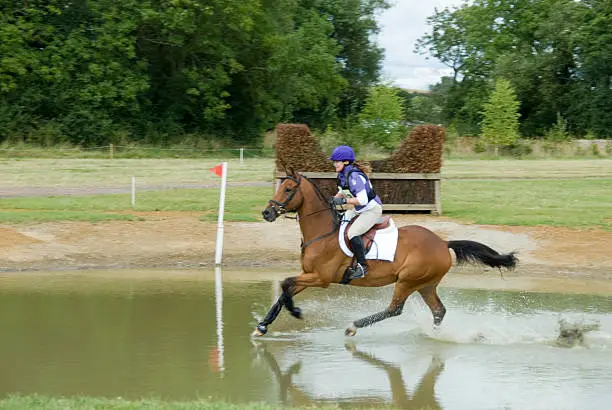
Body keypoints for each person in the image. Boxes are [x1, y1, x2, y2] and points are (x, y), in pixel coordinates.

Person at [329, 145, 383, 280]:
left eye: (337, 161)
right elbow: (343, 191)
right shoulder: (343, 174)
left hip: (371, 210)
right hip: (358, 209)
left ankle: (362, 266)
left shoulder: (354, 176)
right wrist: (334, 199)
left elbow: (363, 200)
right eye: (334, 161)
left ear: (346, 162)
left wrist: (344, 202)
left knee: (352, 233)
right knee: (339, 223)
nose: (334, 164)